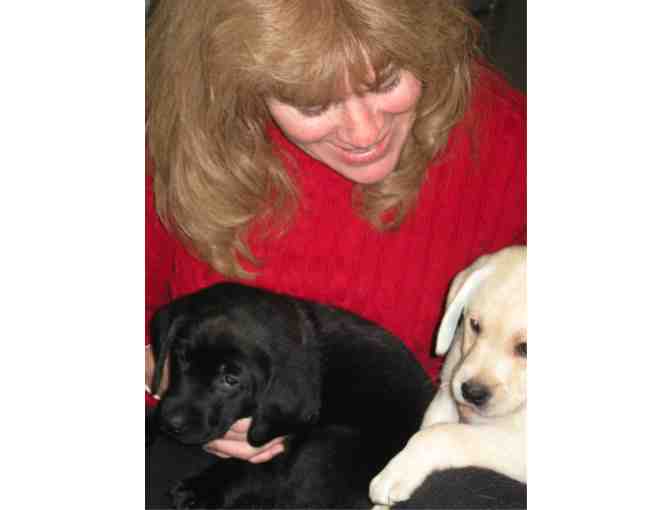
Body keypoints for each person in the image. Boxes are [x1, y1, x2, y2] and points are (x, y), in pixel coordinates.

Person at [145, 0, 526, 507]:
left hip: (407, 439)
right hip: (196, 437)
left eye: (387, 80)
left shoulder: (508, 138)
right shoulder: (171, 141)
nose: (365, 132)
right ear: (240, 84)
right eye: (312, 104)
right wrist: (168, 384)